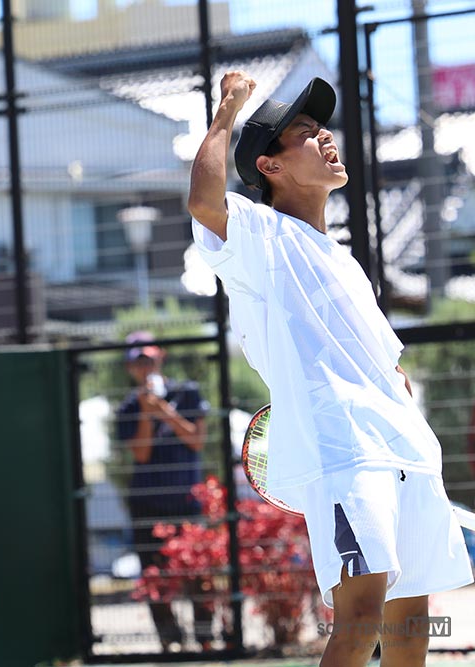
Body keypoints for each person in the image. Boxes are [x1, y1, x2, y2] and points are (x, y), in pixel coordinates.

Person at [188, 72, 473, 666]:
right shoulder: (260, 237)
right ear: (270, 166)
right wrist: (227, 111)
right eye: (305, 132)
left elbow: (388, 369)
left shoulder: (344, 262)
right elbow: (204, 202)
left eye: (323, 128)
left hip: (408, 454)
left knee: (410, 628)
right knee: (361, 620)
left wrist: (401, 403)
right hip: (344, 454)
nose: (325, 137)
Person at [115, 331, 213, 652]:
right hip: (148, 505)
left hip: (187, 501)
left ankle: (206, 639)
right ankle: (170, 641)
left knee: (199, 573)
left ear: (161, 358)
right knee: (154, 575)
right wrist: (147, 411)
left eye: (150, 360)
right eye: (138, 363)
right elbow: (141, 453)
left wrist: (163, 411)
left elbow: (196, 441)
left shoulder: (187, 393)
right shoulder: (128, 407)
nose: (145, 368)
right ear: (130, 368)